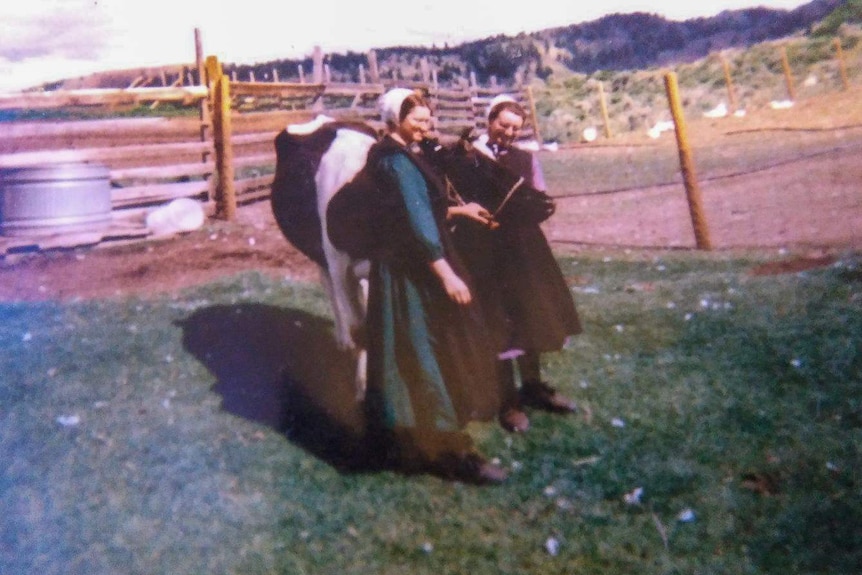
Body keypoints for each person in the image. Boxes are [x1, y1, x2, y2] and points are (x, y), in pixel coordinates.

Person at [362, 88, 507, 484]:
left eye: (429, 119)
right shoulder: (398, 163)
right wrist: (446, 274)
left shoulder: (391, 154)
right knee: (427, 349)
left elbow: (420, 209)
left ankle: (408, 438)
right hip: (415, 271)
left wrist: (460, 209)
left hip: (402, 267)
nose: (427, 127)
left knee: (407, 348)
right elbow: (416, 222)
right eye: (418, 120)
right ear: (394, 120)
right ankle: (450, 451)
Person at [448, 94, 582, 433]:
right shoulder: (466, 157)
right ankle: (508, 402)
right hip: (483, 252)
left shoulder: (525, 159)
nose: (508, 133)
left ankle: (534, 388)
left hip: (522, 250)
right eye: (502, 125)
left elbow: (537, 196)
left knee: (530, 316)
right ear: (489, 121)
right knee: (499, 322)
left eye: (515, 128)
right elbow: (451, 197)